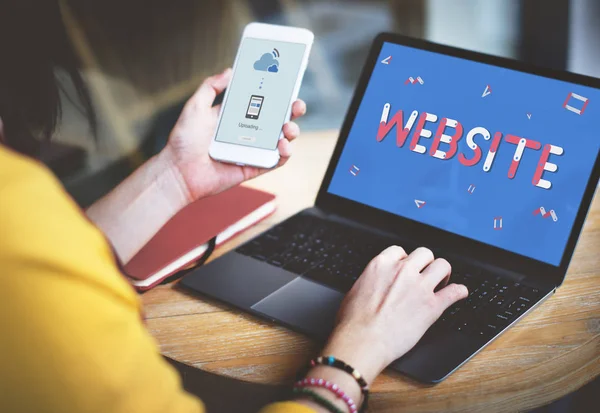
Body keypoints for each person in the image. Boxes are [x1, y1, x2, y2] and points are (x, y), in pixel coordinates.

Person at [0, 2, 468, 412]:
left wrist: (176, 175)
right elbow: (33, 267)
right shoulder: (16, 218)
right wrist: (361, 347)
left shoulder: (21, 208)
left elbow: (54, 254)